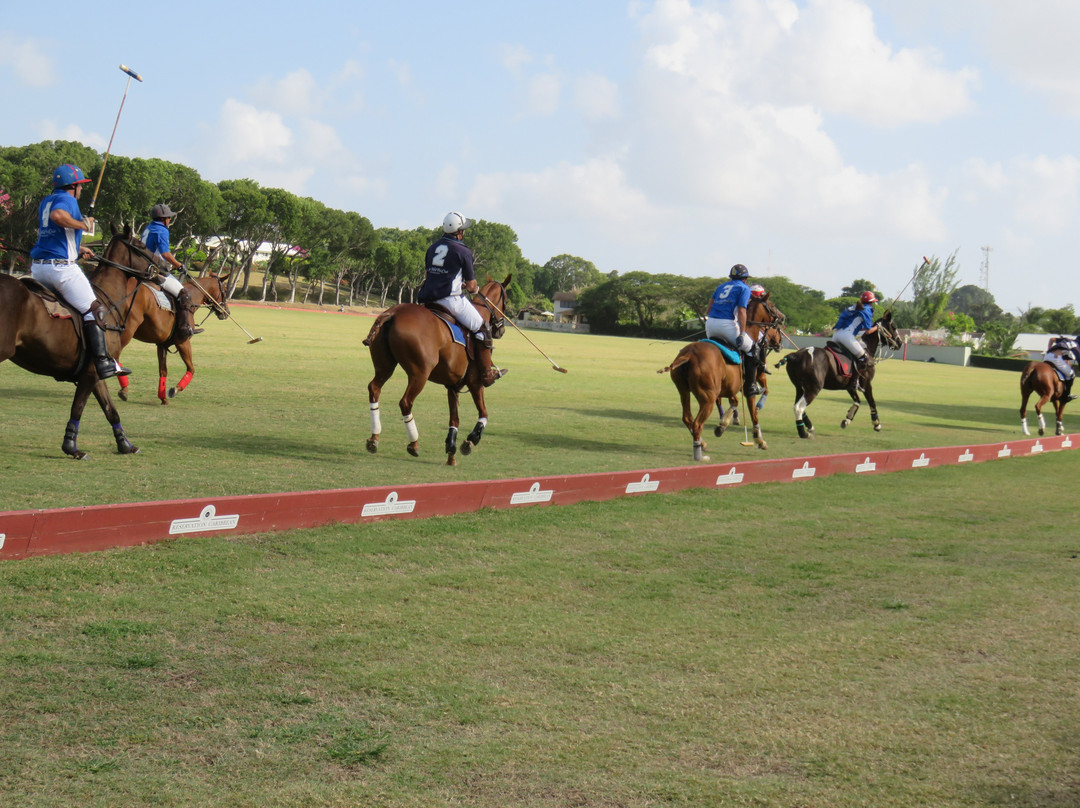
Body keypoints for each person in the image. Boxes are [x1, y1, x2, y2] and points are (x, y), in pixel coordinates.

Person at [29, 164, 130, 380]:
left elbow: (54, 235)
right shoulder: (67, 200)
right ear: (72, 186)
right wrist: (83, 225)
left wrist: (79, 249)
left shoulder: (47, 200)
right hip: (60, 270)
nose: (82, 190)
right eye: (80, 186)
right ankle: (103, 363)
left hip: (39, 269)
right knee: (95, 310)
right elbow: (58, 217)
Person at [417, 211, 507, 387]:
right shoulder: (463, 250)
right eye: (463, 229)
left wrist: (458, 284)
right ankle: (487, 373)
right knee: (483, 327)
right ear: (459, 232)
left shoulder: (433, 247)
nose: (464, 232)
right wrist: (473, 288)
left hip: (427, 300)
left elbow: (430, 275)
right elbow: (472, 286)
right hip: (450, 301)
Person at [141, 203, 201, 340]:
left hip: (143, 267)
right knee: (184, 294)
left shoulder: (148, 227)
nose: (169, 220)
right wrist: (179, 265)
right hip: (154, 270)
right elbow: (166, 253)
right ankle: (185, 328)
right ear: (164, 219)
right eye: (169, 218)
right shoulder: (161, 230)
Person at [705, 263, 763, 396]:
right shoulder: (744, 288)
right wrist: (742, 333)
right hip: (727, 325)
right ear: (745, 278)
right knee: (753, 349)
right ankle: (750, 385)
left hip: (710, 324)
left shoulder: (721, 286)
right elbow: (742, 311)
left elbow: (709, 308)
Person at [832, 290, 879, 366]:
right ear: (871, 302)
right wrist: (878, 327)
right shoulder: (867, 310)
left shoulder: (855, 307)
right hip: (846, 336)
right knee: (865, 359)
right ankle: (856, 378)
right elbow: (868, 331)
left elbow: (855, 326)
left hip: (836, 334)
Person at [1044, 335, 1080, 401]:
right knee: (1071, 374)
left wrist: (1049, 350)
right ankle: (1067, 394)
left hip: (1047, 356)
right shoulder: (1077, 349)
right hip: (1056, 359)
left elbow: (1052, 339)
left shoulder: (1067, 340)